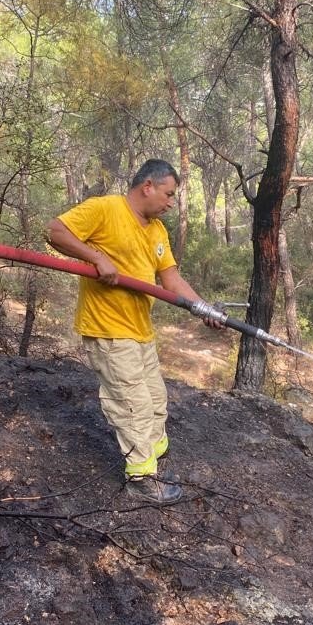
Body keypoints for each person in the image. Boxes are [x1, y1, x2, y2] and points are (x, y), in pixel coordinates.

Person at [46, 159, 221, 507]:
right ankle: (141, 478)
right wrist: (96, 257)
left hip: (141, 331)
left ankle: (153, 461)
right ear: (148, 187)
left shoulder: (157, 231)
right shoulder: (105, 208)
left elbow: (171, 280)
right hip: (109, 331)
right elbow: (55, 231)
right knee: (133, 405)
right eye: (169, 194)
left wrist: (205, 309)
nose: (171, 203)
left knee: (156, 400)